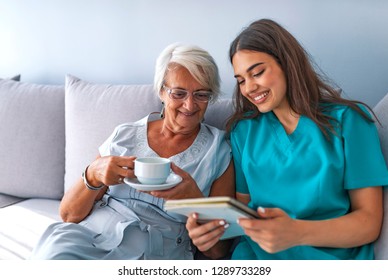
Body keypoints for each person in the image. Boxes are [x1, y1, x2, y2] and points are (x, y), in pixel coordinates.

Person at [186, 19, 388, 260]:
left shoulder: (349, 122)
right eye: (241, 80)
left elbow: (368, 223)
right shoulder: (243, 132)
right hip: (255, 259)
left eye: (257, 72)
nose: (249, 87)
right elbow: (241, 214)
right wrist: (210, 235)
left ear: (287, 64)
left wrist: (297, 232)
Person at [30, 42, 235, 260]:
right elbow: (68, 215)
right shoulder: (125, 135)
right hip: (92, 237)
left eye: (201, 94)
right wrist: (93, 174)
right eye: (179, 93)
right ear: (161, 91)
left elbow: (217, 251)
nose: (190, 104)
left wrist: (194, 199)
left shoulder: (219, 151)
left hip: (156, 253)